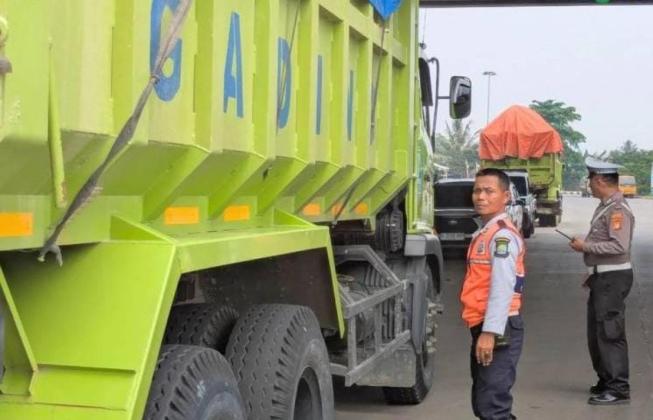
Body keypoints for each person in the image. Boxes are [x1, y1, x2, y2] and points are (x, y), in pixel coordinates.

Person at [569, 157, 635, 405]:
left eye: (590, 180)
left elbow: (619, 244)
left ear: (599, 180)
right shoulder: (607, 206)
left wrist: (585, 245)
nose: (589, 184)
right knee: (597, 332)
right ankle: (607, 380)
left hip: (612, 277)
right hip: (602, 276)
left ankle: (618, 388)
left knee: (610, 332)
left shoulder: (617, 209)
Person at [461, 168, 525, 420]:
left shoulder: (502, 237)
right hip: (483, 323)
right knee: (483, 401)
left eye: (489, 191)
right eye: (477, 190)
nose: (481, 196)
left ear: (506, 196)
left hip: (499, 327)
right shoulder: (485, 232)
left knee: (492, 406)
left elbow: (502, 287)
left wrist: (490, 332)